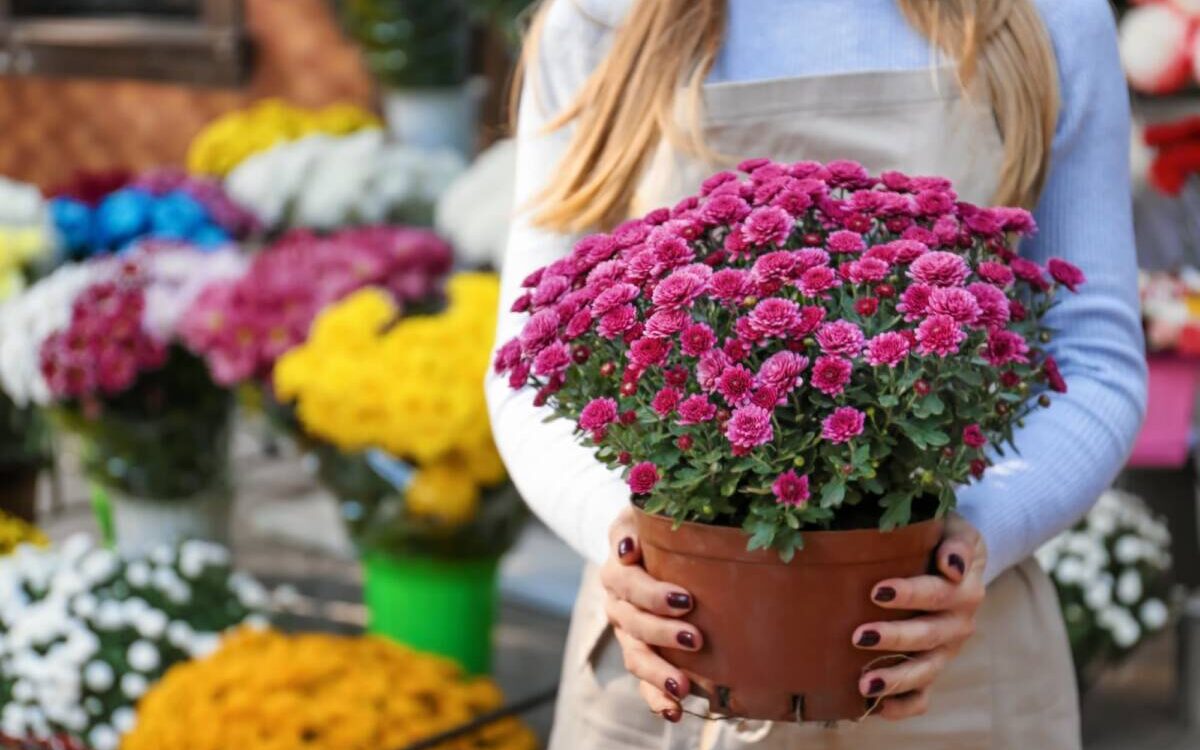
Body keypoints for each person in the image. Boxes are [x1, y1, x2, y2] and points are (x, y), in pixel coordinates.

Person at [485, 1, 1147, 748]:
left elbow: (1093, 355)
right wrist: (628, 543)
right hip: (667, 658)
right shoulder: (600, 18)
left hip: (956, 659)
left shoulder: (1043, 14)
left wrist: (976, 540)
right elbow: (524, 362)